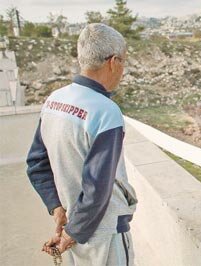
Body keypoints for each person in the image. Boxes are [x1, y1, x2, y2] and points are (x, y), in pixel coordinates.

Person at [26, 23, 137, 266]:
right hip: (105, 233)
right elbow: (98, 189)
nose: (123, 70)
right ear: (113, 62)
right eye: (124, 63)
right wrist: (71, 233)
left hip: (74, 223)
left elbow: (36, 164)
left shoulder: (54, 100)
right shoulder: (106, 111)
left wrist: (57, 209)